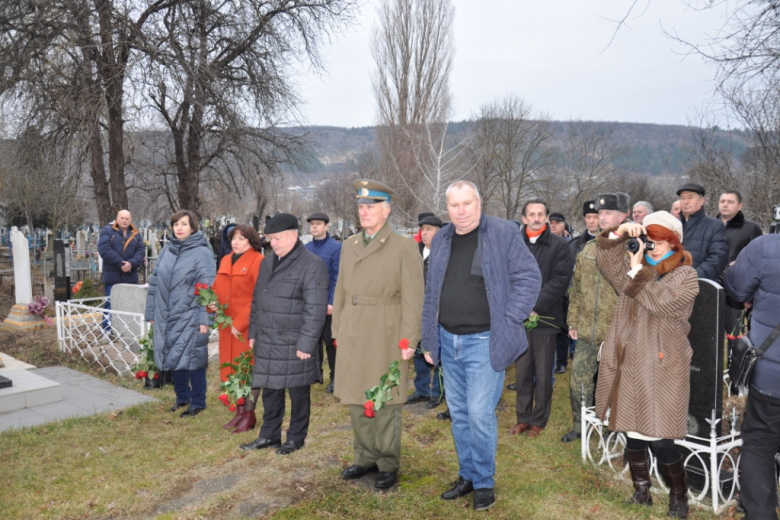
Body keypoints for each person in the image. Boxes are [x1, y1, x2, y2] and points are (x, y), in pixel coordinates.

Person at [421, 180, 542, 511]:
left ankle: (485, 482)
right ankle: (468, 475)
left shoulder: (503, 233)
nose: (461, 211)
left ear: (479, 203)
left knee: (478, 413)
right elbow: (431, 291)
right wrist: (428, 338)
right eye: (454, 205)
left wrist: (510, 317)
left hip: (485, 341)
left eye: (467, 203)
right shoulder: (442, 238)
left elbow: (529, 277)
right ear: (447, 208)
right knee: (459, 414)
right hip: (448, 339)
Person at [595, 211, 699, 519]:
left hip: (663, 363)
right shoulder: (638, 267)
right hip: (631, 359)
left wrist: (637, 267)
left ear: (674, 243)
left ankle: (679, 496)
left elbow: (658, 301)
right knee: (633, 432)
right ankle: (642, 491)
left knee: (661, 438)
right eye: (647, 240)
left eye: (657, 242)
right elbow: (608, 264)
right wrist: (619, 235)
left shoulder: (685, 275)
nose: (651, 247)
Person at [332, 180, 423, 490]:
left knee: (384, 397)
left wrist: (410, 339)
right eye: (361, 207)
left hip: (386, 330)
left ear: (386, 210)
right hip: (354, 328)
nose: (364, 212)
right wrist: (337, 329)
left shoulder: (403, 247)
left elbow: (413, 298)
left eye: (371, 207)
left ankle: (387, 461)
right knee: (355, 396)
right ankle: (364, 456)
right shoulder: (349, 245)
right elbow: (341, 290)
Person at [239, 213, 328, 455]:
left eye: (277, 238)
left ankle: (296, 438)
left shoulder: (312, 264)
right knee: (270, 390)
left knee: (298, 392)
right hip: (268, 338)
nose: (273, 243)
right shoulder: (267, 262)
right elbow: (258, 299)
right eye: (270, 239)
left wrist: (307, 344)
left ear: (293, 235)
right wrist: (254, 331)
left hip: (295, 341)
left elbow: (315, 309)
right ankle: (269, 435)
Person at [561, 192, 630, 443]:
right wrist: (573, 321)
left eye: (608, 213)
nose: (602, 217)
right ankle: (581, 425)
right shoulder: (589, 248)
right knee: (579, 381)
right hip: (587, 330)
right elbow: (577, 288)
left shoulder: (633, 248)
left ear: (623, 216)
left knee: (614, 383)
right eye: (600, 213)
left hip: (616, 332)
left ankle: (615, 426)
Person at [725, 234, 780, 520]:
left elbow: (736, 287)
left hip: (772, 373)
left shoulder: (766, 247)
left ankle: (760, 514)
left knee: (759, 442)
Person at [509, 199, 573, 438]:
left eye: (540, 214)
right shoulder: (514, 243)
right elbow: (507, 276)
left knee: (544, 374)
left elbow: (559, 280)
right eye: (531, 214)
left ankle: (539, 420)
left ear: (546, 217)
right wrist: (519, 306)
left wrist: (535, 305)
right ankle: (523, 418)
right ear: (524, 218)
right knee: (523, 371)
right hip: (519, 318)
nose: (536, 218)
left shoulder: (559, 246)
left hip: (546, 317)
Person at [145, 210, 216, 417]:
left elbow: (208, 286)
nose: (179, 228)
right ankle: (182, 397)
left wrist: (205, 318)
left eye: (184, 224)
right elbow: (155, 282)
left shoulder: (202, 252)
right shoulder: (167, 251)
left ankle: (198, 401)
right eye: (176, 224)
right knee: (174, 355)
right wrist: (151, 312)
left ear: (193, 227)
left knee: (193, 358)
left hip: (191, 314)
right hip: (167, 314)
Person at [210, 225, 264, 433]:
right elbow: (217, 287)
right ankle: (239, 411)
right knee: (232, 369)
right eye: (234, 238)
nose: (236, 242)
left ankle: (249, 414)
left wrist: (240, 323)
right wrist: (211, 302)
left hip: (246, 328)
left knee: (248, 371)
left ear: (251, 241)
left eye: (241, 238)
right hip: (227, 328)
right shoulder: (226, 259)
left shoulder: (258, 261)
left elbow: (258, 297)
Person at [407, 213, 444, 409]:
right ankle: (422, 389)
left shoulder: (445, 253)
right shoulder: (416, 252)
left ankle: (438, 391)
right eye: (423, 229)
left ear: (439, 232)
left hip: (437, 312)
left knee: (437, 352)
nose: (424, 233)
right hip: (417, 310)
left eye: (429, 229)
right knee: (419, 351)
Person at [305, 212, 341, 394]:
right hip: (310, 303)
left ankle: (336, 377)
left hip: (327, 304)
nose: (314, 226)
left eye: (318, 223)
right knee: (312, 340)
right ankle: (315, 373)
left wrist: (332, 302)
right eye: (312, 224)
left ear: (327, 226)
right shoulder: (306, 248)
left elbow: (338, 276)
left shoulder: (336, 247)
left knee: (331, 341)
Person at [717, 190, 762, 334]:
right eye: (722, 201)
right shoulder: (709, 226)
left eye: (730, 202)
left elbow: (758, 262)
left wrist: (750, 295)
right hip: (711, 287)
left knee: (735, 335)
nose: (725, 205)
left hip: (737, 290)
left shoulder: (751, 228)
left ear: (740, 206)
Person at [97, 209, 145, 333]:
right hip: (112, 275)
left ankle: (128, 332)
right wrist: (120, 263)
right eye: (122, 218)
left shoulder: (135, 234)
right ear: (117, 219)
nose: (124, 221)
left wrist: (131, 263)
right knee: (110, 303)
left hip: (130, 275)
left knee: (130, 305)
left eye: (127, 218)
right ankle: (107, 331)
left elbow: (140, 251)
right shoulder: (107, 231)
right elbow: (104, 249)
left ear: (130, 220)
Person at [676, 183, 728, 281]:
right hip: (671, 284)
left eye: (690, 198)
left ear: (702, 201)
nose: (686, 202)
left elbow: (717, 258)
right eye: (682, 198)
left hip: (699, 283)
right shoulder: (674, 225)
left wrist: (691, 277)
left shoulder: (715, 225)